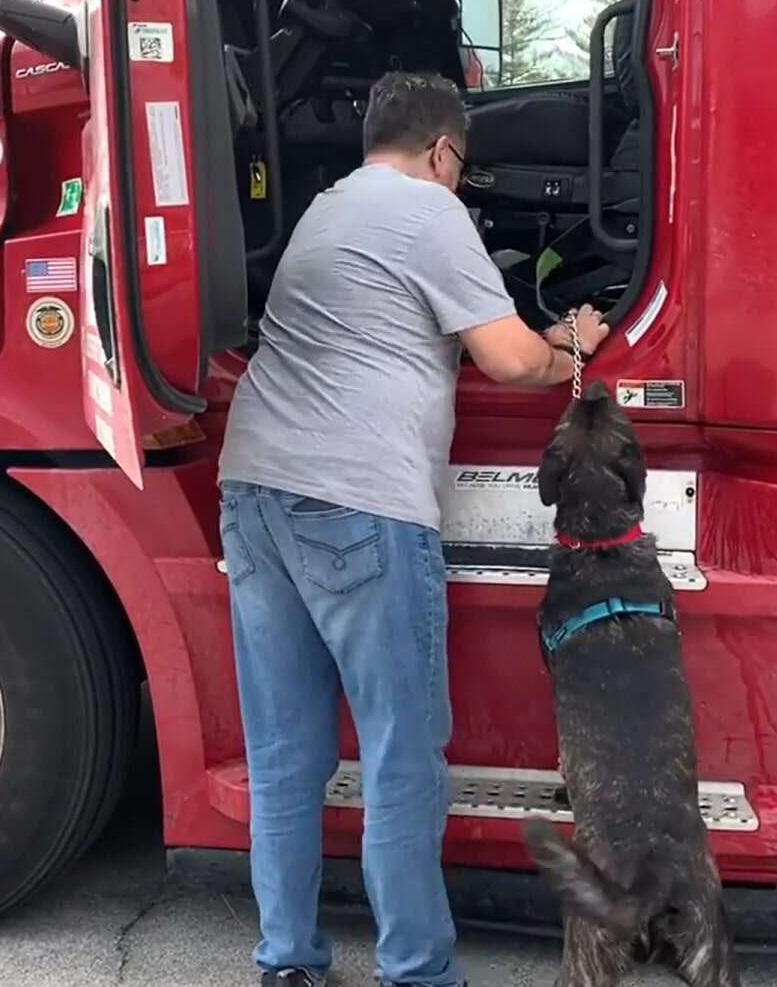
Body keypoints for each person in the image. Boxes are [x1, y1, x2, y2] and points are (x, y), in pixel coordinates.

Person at [215, 70, 609, 987]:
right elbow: (512, 360)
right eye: (460, 167)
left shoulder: (327, 206)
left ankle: (287, 962)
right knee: (399, 753)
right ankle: (416, 973)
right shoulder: (429, 212)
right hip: (358, 500)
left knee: (284, 753)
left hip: (254, 489)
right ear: (442, 152)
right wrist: (576, 341)